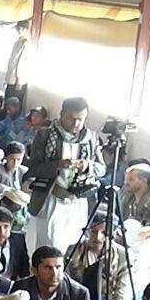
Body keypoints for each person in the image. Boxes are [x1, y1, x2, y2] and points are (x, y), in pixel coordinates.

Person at [22, 96, 105, 250]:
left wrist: (87, 165)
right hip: (51, 198)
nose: (76, 124)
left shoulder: (91, 139)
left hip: (76, 199)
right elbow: (34, 168)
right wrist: (58, 165)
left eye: (80, 119)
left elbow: (101, 169)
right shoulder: (45, 136)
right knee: (48, 244)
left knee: (72, 243)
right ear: (61, 114)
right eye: (71, 119)